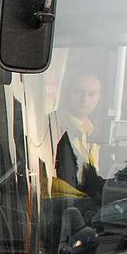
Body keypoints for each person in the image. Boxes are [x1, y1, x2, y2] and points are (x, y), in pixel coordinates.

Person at [48, 72, 104, 201]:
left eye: (92, 94)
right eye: (79, 92)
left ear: (99, 98)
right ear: (67, 93)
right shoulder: (52, 125)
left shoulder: (94, 133)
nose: (85, 99)